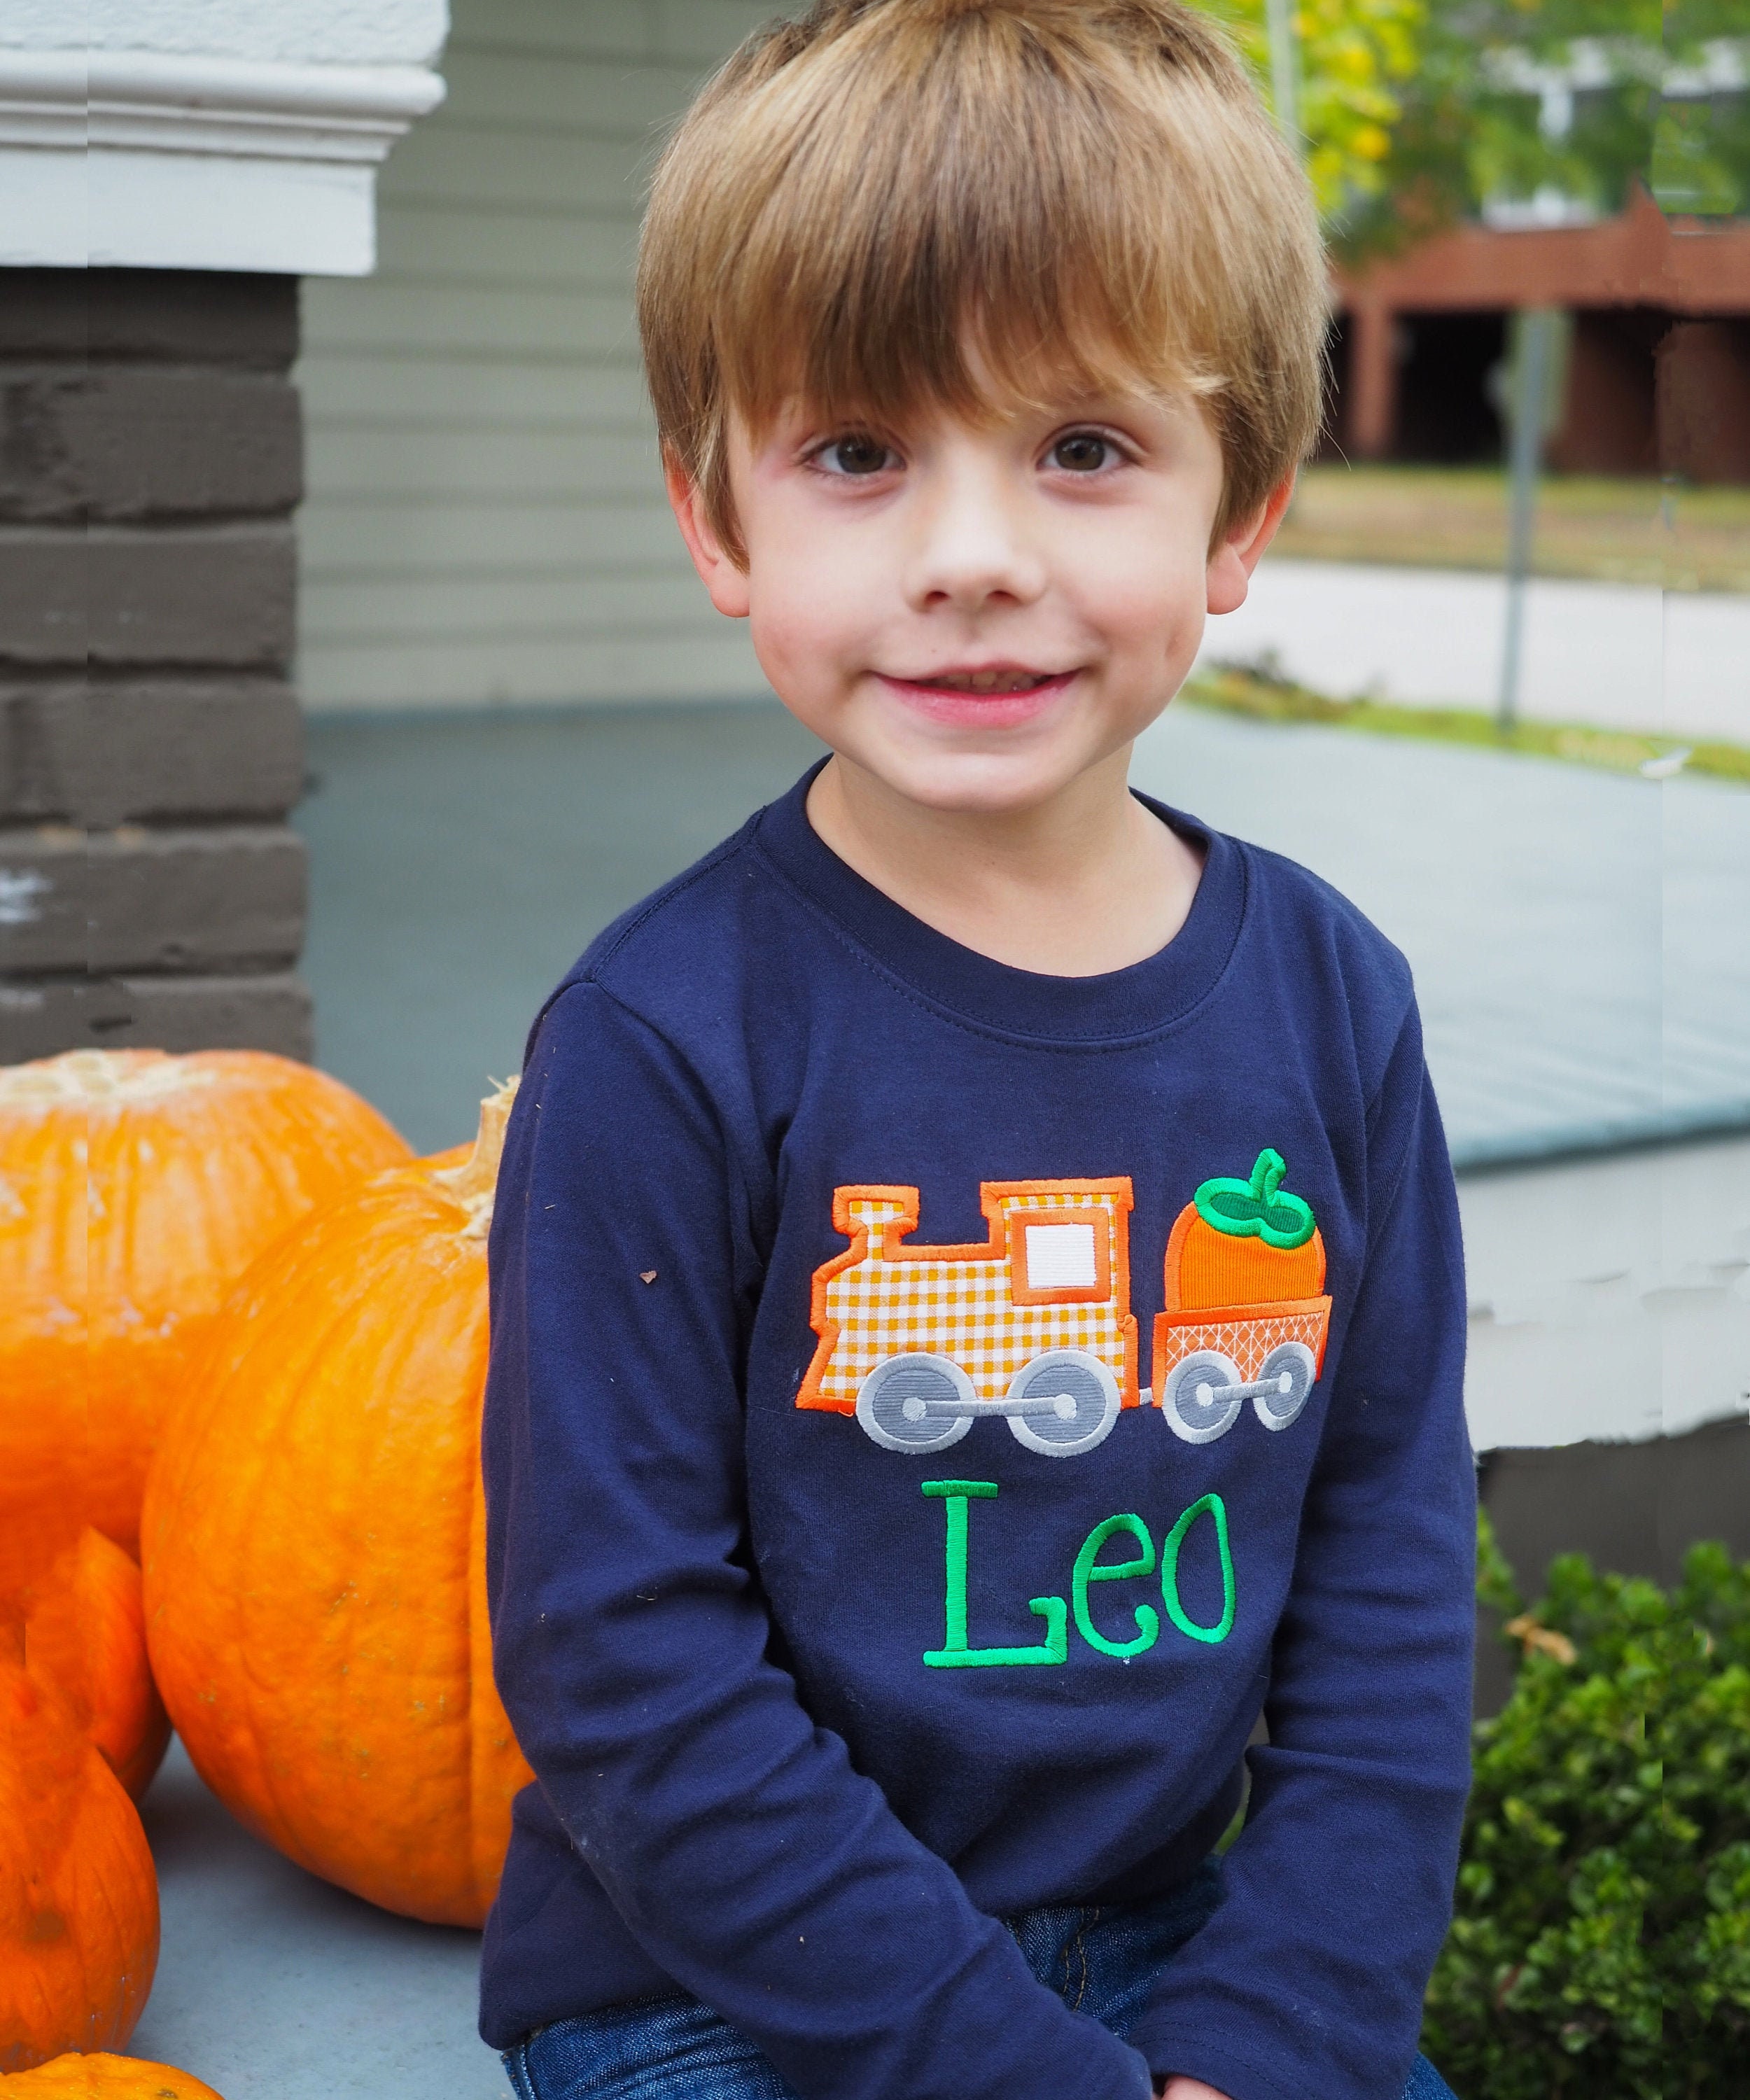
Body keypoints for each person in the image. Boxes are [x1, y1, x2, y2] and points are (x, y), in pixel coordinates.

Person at [479, 5, 1475, 2098]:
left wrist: (1268, 2033)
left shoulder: (1330, 1003)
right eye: (856, 452)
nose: (969, 556)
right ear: (718, 521)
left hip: (1184, 1942)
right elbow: (627, 1668)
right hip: (718, 1980)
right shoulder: (662, 1040)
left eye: (1084, 448)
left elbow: (1384, 1575)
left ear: (1242, 513)